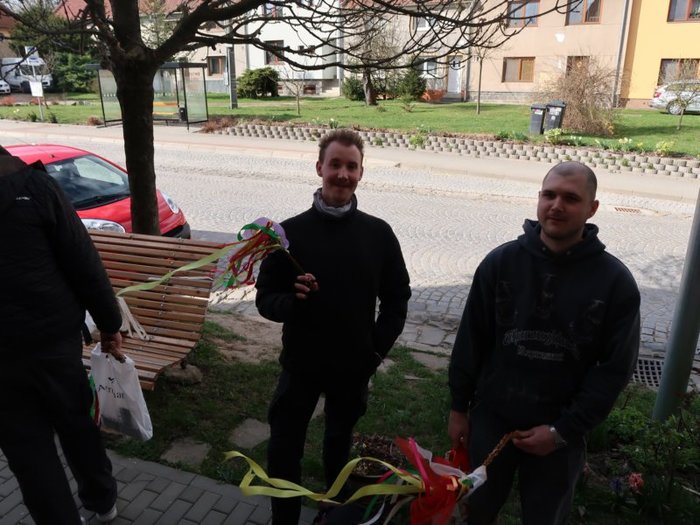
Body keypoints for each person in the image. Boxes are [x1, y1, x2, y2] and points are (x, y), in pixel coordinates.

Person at [448, 161, 640, 525]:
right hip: (492, 420)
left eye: (571, 198)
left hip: (561, 431)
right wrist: (459, 408)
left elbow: (614, 370)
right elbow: (471, 340)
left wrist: (561, 432)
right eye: (548, 195)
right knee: (474, 511)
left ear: (592, 208)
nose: (556, 206)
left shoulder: (615, 283)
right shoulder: (500, 263)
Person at [255, 129, 411, 524]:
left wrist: (375, 350)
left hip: (352, 367)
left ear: (361, 173)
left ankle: (332, 517)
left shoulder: (378, 234)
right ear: (319, 168)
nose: (343, 174)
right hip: (300, 365)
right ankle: (284, 519)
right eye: (335, 164)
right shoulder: (289, 235)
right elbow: (265, 299)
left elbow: (397, 298)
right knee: (284, 448)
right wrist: (292, 301)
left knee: (339, 448)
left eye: (351, 166)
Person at [0, 146, 126, 524]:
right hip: (53, 340)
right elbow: (82, 261)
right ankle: (102, 500)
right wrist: (109, 324)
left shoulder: (36, 187)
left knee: (28, 453)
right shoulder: (35, 186)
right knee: (76, 423)